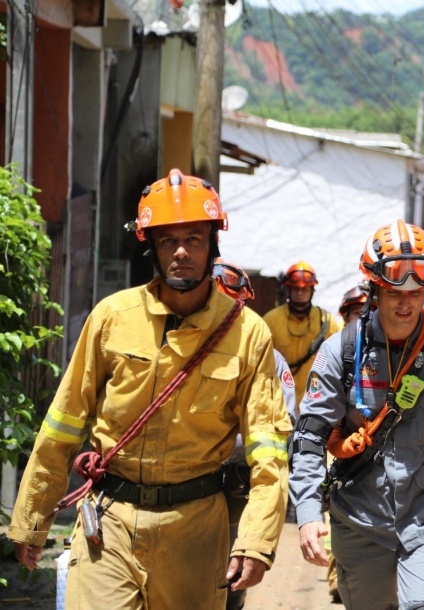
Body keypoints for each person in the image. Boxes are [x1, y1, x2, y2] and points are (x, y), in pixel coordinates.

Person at [9, 169, 291, 609]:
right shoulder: (111, 317)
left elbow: (268, 451)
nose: (181, 251)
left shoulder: (248, 333)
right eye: (167, 240)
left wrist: (256, 540)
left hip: (196, 531)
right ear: (152, 248)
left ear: (213, 244)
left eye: (194, 239)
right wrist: (33, 515)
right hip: (109, 523)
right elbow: (63, 423)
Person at [289, 219, 424, 610]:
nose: (406, 304)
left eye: (416, 293)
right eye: (394, 293)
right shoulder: (342, 352)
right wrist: (306, 511)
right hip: (360, 519)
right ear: (374, 289)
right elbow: (309, 436)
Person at [212, 258, 297, 610]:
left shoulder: (269, 359)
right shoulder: (176, 350)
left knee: (230, 576)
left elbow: (283, 423)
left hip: (236, 482)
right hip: (182, 480)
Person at [264, 261, 342, 409]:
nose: (299, 293)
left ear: (312, 290)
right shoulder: (270, 320)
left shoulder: (327, 322)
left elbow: (338, 364)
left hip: (315, 403)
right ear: (288, 289)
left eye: (304, 289)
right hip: (279, 404)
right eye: (295, 289)